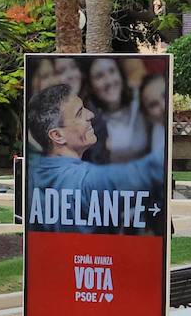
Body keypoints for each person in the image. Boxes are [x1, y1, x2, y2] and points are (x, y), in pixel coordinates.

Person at [26, 83, 166, 235]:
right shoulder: (83, 181)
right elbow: (148, 171)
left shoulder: (36, 172)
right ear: (57, 136)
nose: (90, 115)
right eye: (79, 113)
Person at [86, 57, 151, 164]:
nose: (109, 81)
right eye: (99, 76)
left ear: (121, 74)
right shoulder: (90, 119)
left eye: (112, 71)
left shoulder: (140, 101)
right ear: (91, 86)